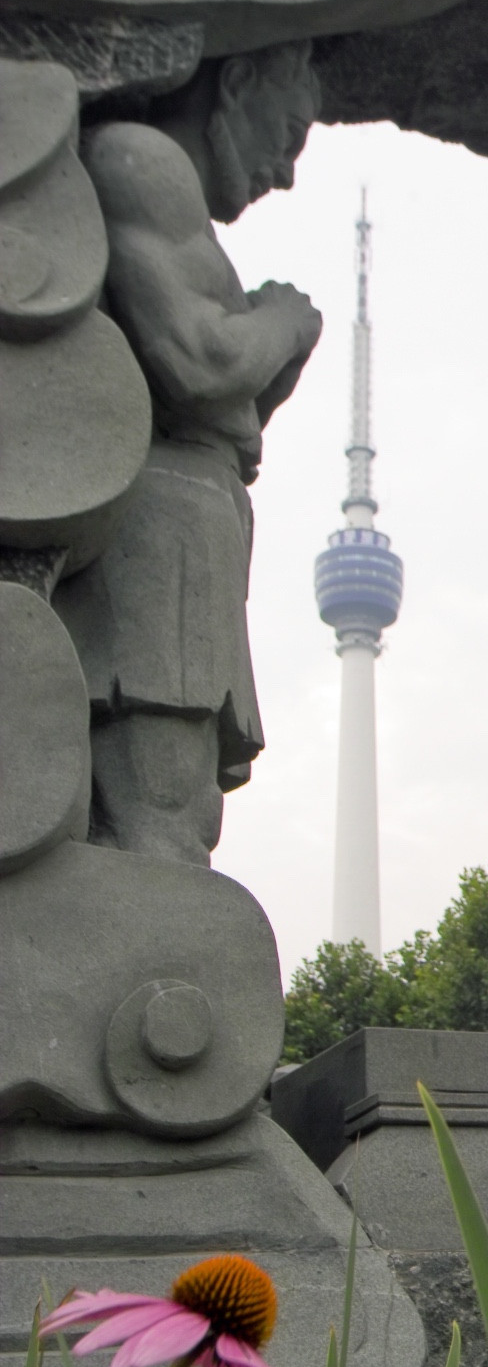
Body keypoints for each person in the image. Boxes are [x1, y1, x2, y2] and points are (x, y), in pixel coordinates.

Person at [55, 45, 324, 864]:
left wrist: (267, 364)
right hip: (162, 532)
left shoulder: (176, 206)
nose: (283, 171)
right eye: (289, 132)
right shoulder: (138, 158)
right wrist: (284, 321)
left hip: (196, 521)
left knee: (179, 816)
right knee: (161, 815)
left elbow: (225, 412)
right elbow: (198, 362)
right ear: (238, 82)